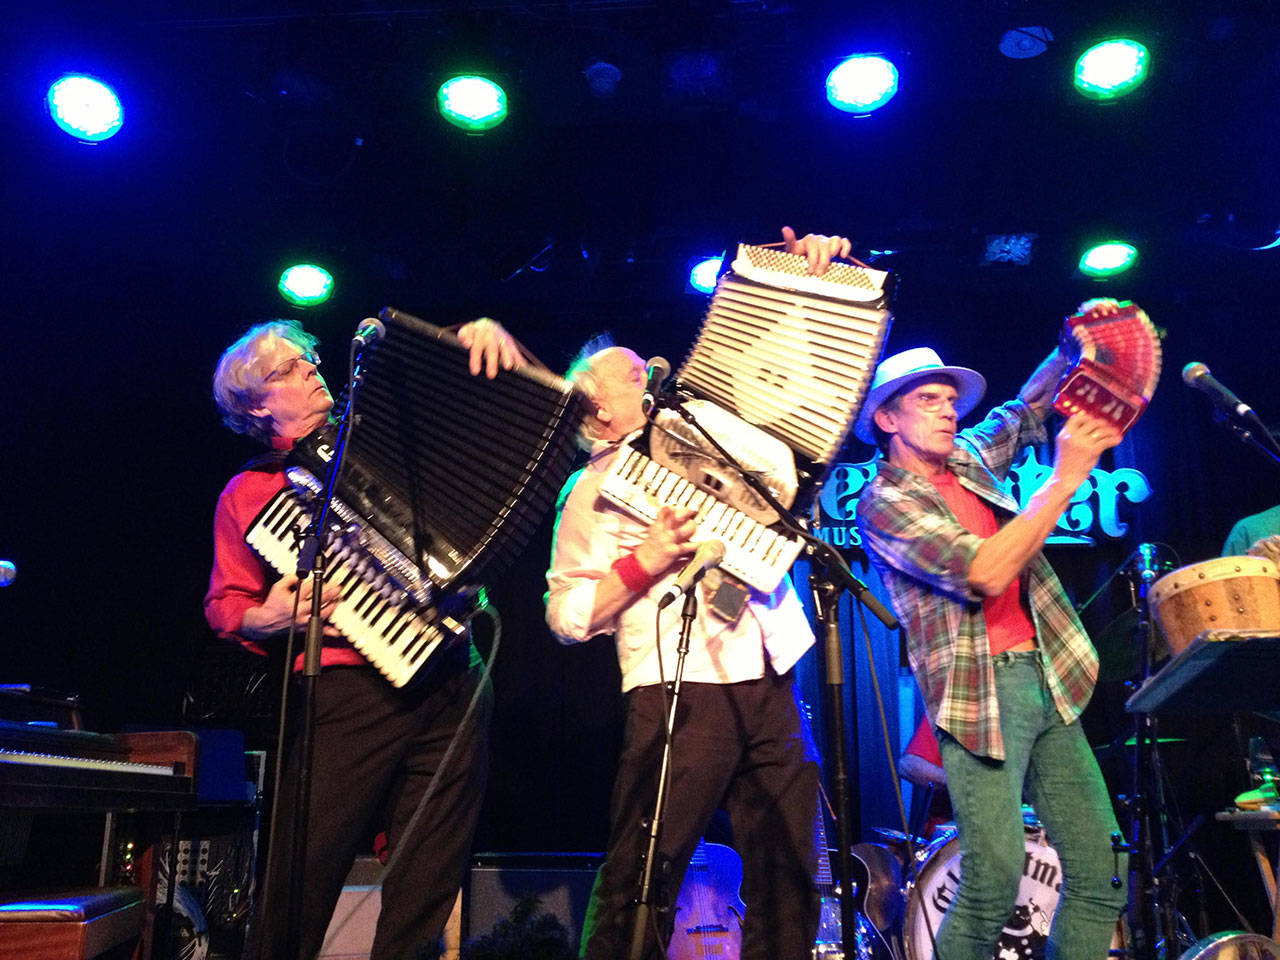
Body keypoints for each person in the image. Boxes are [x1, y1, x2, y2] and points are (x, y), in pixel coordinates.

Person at [543, 229, 847, 960]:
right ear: (596, 410)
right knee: (644, 875)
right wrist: (644, 562)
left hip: (768, 677)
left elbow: (793, 400)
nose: (649, 372)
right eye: (626, 375)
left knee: (790, 871)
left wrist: (809, 284)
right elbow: (565, 615)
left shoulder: (714, 440)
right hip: (677, 687)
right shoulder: (587, 491)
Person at [204, 316, 524, 960]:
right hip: (346, 684)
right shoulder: (252, 491)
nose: (310, 371)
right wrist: (266, 618)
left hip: (455, 672)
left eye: (309, 360)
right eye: (286, 369)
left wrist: (470, 333)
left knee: (430, 873)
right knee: (306, 866)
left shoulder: (386, 438)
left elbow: (441, 393)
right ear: (256, 405)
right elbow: (225, 605)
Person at [854, 313, 1130, 960]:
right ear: (887, 420)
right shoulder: (884, 503)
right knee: (994, 881)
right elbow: (985, 570)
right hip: (981, 695)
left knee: (1103, 874)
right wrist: (1064, 479)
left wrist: (1073, 348)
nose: (948, 411)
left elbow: (1029, 407)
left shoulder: (970, 458)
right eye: (929, 400)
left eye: (951, 400)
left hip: (1047, 675)